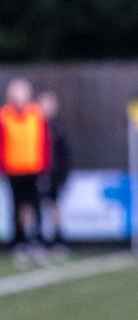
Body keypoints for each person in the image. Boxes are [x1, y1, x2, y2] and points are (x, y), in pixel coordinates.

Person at [0, 78, 50, 263]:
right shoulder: (4, 116)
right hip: (13, 170)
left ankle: (37, 241)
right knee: (17, 207)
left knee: (35, 206)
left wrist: (45, 166)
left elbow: (44, 142)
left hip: (34, 168)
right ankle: (19, 242)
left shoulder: (36, 114)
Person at [37, 91, 72, 254]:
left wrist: (63, 176)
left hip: (55, 175)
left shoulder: (59, 128)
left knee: (54, 206)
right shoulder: (34, 126)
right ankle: (37, 240)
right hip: (37, 174)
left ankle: (58, 239)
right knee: (34, 208)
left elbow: (65, 155)